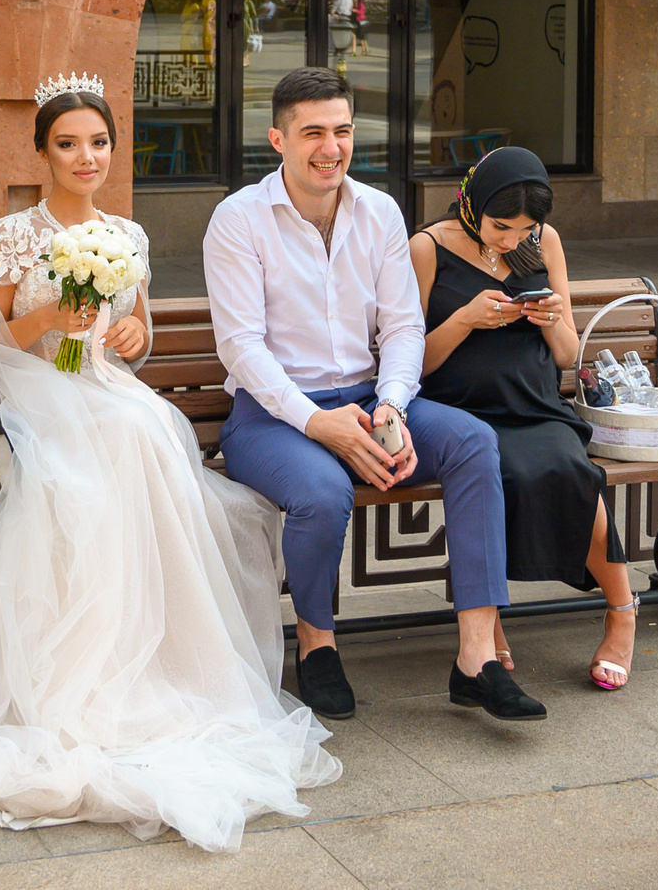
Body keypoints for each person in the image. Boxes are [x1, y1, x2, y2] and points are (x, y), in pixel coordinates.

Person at [0, 80, 339, 851]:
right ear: (43, 152)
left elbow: (139, 330)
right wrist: (50, 318)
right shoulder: (10, 236)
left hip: (102, 385)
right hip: (35, 386)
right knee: (107, 448)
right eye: (68, 143)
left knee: (147, 428)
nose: (85, 156)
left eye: (97, 142)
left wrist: (130, 337)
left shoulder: (126, 233)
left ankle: (155, 659)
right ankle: (70, 678)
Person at [206, 65, 545, 724]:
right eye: (312, 133)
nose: (330, 147)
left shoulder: (381, 212)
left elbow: (401, 324)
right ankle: (317, 643)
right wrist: (317, 423)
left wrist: (391, 400)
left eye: (342, 130)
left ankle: (477, 657)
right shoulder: (239, 220)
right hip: (271, 417)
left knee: (474, 441)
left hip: (370, 396)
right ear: (277, 139)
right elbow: (241, 348)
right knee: (322, 490)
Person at [410, 145, 639, 690]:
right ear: (474, 202)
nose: (511, 241)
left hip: (534, 407)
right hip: (458, 411)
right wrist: (466, 318)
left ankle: (623, 610)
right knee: (501, 471)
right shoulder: (427, 247)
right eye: (500, 226)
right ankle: (488, 623)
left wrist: (550, 318)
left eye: (525, 228)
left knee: (574, 472)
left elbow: (566, 355)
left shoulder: (544, 244)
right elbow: (409, 362)